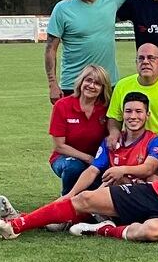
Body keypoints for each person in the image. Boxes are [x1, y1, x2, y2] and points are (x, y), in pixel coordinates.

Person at [0, 93, 158, 240]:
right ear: (122, 113)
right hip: (110, 199)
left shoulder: (155, 141)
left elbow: (148, 169)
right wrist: (70, 195)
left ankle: (16, 222)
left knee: (111, 184)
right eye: (128, 111)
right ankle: (17, 219)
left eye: (138, 111)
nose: (133, 116)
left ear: (147, 115)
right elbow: (93, 170)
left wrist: (121, 170)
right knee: (55, 223)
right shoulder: (112, 141)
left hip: (136, 203)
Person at [45, 0, 131, 103]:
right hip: (74, 85)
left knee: (110, 126)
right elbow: (50, 49)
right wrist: (52, 84)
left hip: (107, 85)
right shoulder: (62, 9)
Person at [47, 64, 112, 196]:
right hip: (65, 158)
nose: (92, 86)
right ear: (81, 82)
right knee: (75, 168)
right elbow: (59, 146)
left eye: (97, 83)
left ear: (103, 89)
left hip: (97, 159)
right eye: (88, 80)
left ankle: (94, 209)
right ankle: (66, 203)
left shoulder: (106, 108)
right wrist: (88, 158)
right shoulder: (63, 105)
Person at [107, 44, 158, 145]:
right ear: (136, 62)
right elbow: (114, 117)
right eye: (141, 58)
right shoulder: (122, 86)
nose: (145, 62)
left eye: (151, 58)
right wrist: (114, 131)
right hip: (134, 144)